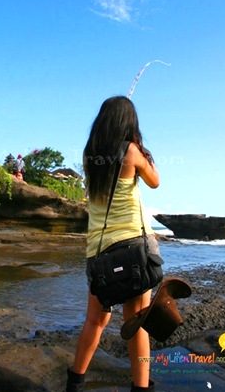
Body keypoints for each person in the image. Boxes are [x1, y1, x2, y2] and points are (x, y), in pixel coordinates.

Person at [66, 96, 160, 392]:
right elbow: (155, 181)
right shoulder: (132, 151)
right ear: (129, 124)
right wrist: (144, 150)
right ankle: (141, 388)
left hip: (98, 252)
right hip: (133, 249)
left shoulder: (89, 156)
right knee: (136, 322)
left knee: (94, 322)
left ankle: (75, 383)